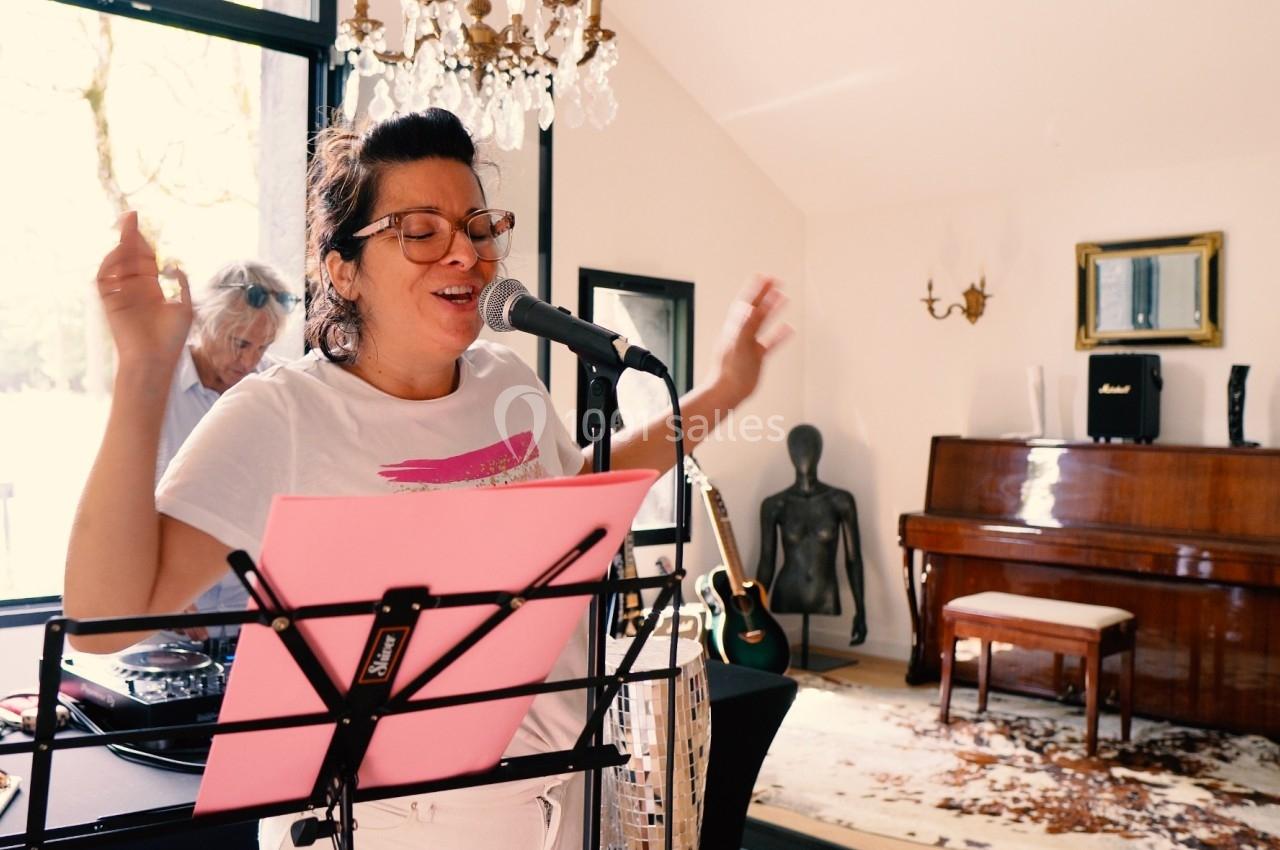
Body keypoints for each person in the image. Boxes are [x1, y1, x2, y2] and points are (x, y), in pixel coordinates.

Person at [65, 108, 789, 850]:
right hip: (383, 825)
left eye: (477, 228)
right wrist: (144, 370)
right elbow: (102, 618)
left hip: (562, 798)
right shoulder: (281, 413)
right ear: (343, 269)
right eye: (420, 231)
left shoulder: (507, 379)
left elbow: (587, 494)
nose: (466, 254)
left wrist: (725, 389)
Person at [156, 261, 298, 638]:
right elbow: (129, 500)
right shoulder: (156, 386)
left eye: (263, 347)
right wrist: (159, 588)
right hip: (169, 609)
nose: (250, 361)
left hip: (252, 613)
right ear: (204, 322)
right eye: (240, 343)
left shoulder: (281, 391)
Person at [757, 424, 866, 646]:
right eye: (798, 449)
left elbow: (853, 559)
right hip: (787, 592)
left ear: (819, 452)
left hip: (825, 594)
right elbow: (767, 561)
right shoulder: (775, 504)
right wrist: (755, 613)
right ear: (790, 454)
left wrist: (861, 611)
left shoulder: (840, 501)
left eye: (810, 448)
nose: (804, 455)